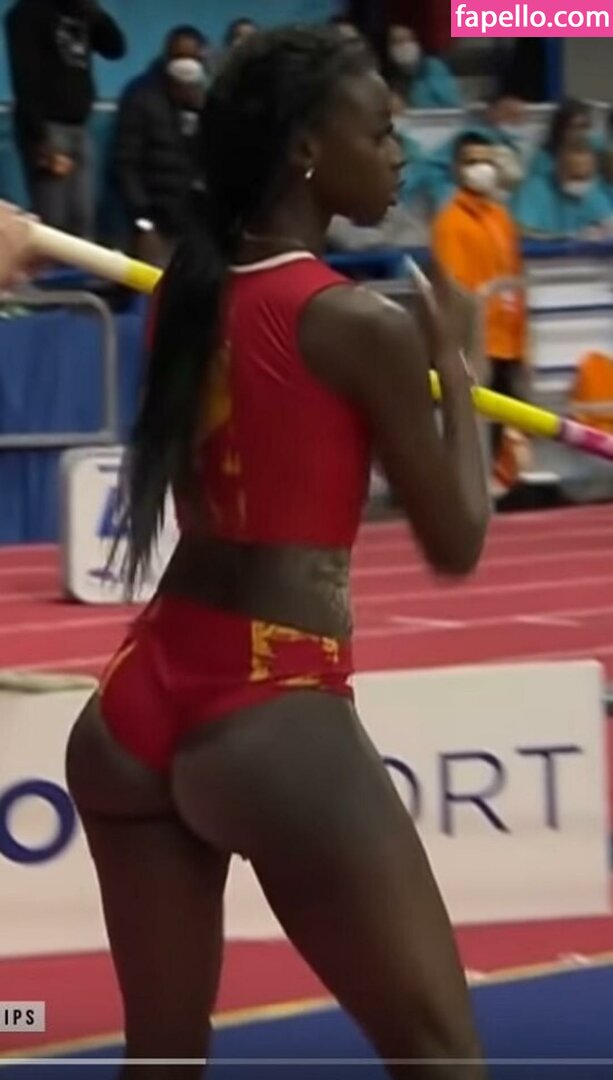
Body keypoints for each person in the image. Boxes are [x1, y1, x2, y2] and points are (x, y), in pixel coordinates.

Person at [63, 27, 489, 1079]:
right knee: (443, 1058)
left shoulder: (186, 291)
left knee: (163, 1059)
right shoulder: (360, 324)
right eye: (378, 132)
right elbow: (456, 538)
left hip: (135, 703)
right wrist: (455, 369)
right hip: (273, 705)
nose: (398, 154)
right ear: (305, 147)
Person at [432, 133, 528, 482]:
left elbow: (514, 278)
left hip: (508, 343)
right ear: (457, 168)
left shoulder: (501, 218)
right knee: (472, 436)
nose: (481, 168)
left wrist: (522, 344)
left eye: (487, 160)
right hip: (474, 348)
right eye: (472, 161)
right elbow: (454, 289)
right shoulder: (449, 223)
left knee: (502, 436)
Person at [4, 0, 126, 239]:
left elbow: (116, 49)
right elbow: (24, 78)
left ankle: (79, 266)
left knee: (83, 219)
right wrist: (40, 140)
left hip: (80, 126)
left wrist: (95, 12)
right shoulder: (27, 13)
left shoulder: (81, 10)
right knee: (55, 223)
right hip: (48, 130)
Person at [113, 26, 209, 267]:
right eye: (180, 57)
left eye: (193, 58)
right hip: (155, 223)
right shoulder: (141, 95)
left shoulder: (206, 97)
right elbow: (126, 165)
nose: (187, 65)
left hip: (194, 224)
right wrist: (143, 223)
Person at [513, 136, 613, 240]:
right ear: (558, 165)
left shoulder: (598, 192)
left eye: (584, 177)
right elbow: (521, 231)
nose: (578, 184)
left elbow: (607, 225)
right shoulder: (534, 190)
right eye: (573, 176)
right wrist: (567, 237)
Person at [383, 22, 461, 109]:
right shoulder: (392, 78)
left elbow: (452, 104)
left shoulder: (433, 67)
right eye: (397, 42)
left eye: (408, 40)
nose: (404, 46)